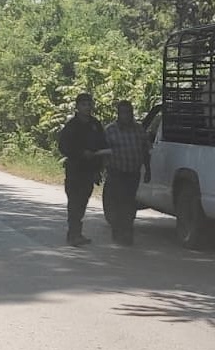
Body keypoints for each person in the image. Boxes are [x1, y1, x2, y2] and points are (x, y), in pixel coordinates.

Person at [57, 92, 109, 246]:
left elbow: (102, 145)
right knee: (74, 201)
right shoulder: (72, 125)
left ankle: (76, 233)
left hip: (90, 170)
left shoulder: (95, 125)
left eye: (89, 104)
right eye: (84, 104)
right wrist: (80, 152)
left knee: (83, 201)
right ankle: (73, 233)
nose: (87, 107)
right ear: (77, 107)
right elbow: (64, 146)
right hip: (75, 169)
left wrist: (100, 166)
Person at [103, 100, 152, 245]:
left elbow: (145, 150)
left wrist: (148, 169)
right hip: (116, 172)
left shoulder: (139, 129)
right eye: (123, 112)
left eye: (128, 112)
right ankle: (118, 232)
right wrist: (102, 169)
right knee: (118, 202)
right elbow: (103, 151)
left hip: (133, 172)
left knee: (130, 203)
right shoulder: (110, 130)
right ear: (118, 114)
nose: (126, 115)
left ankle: (128, 232)